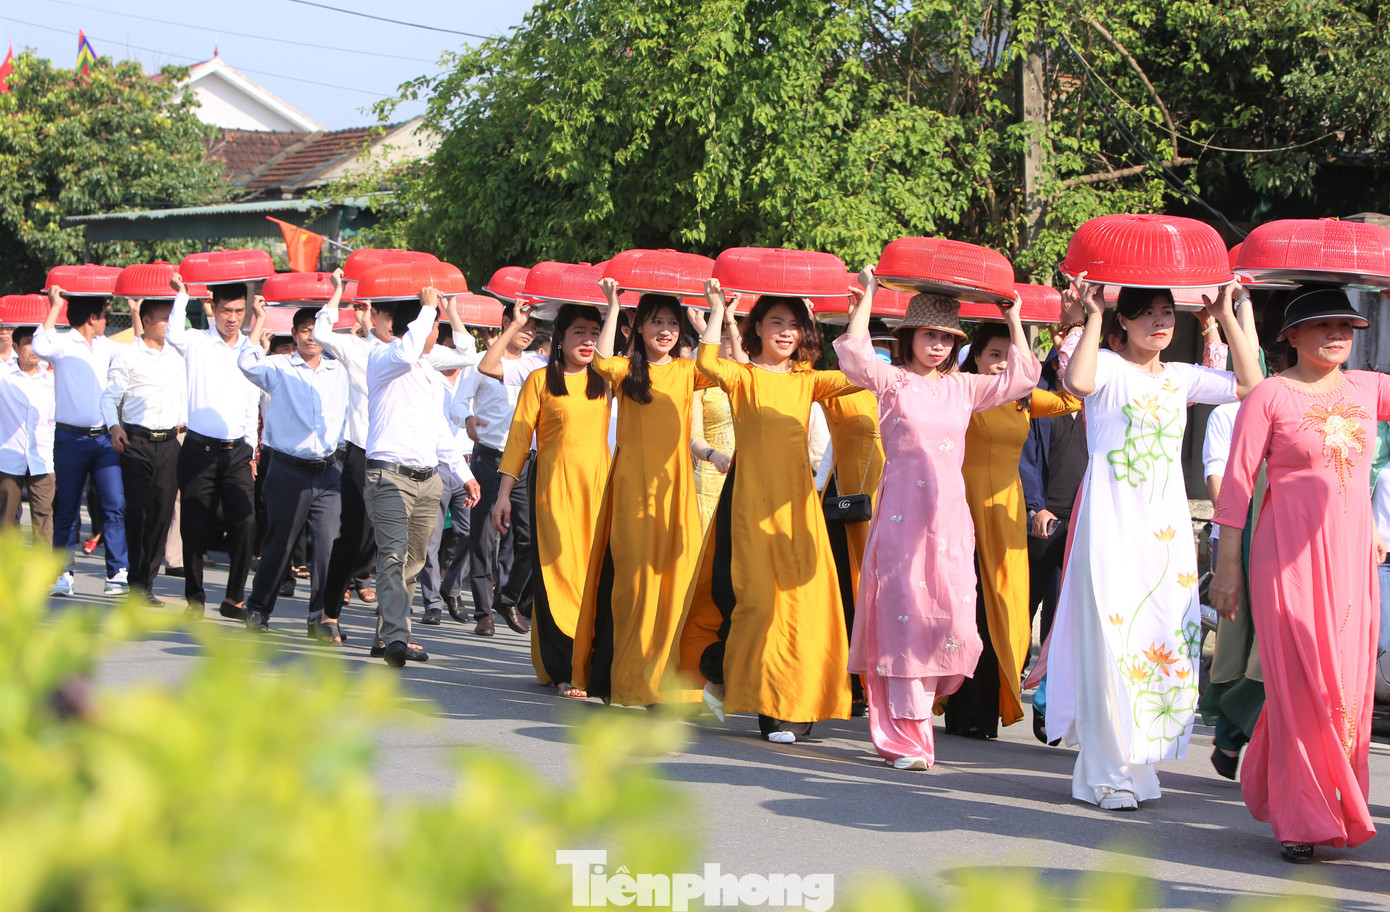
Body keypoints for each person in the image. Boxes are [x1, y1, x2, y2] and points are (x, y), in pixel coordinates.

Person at [1046, 278, 1260, 811]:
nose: (1160, 322)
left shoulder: (1182, 378)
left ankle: (1138, 766)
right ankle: (1103, 771)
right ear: (1125, 321)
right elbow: (1077, 382)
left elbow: (1254, 387)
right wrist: (1094, 312)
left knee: (1158, 638)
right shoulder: (1108, 367)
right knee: (1111, 639)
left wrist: (1229, 314)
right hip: (1112, 521)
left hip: (1164, 530)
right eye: (1147, 313)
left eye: (1167, 312)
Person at [831, 276, 1039, 768]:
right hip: (902, 519)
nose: (938, 345)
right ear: (909, 338)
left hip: (949, 521)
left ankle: (920, 714)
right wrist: (866, 300)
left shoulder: (964, 387)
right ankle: (907, 734)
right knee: (904, 621)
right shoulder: (892, 380)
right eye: (929, 335)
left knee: (953, 624)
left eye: (946, 338)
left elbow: (1023, 377)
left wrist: (1012, 316)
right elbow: (855, 356)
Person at [1211, 287, 1387, 863]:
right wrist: (1227, 571)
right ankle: (1301, 816)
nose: (1338, 334)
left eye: (1347, 325)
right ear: (1289, 335)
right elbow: (1236, 489)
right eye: (1322, 325)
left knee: (1346, 689)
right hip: (1285, 561)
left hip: (1352, 559)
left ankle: (1322, 799)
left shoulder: (1369, 387)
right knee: (1300, 683)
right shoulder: (1270, 394)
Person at [681, 280, 860, 743]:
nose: (785, 332)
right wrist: (719, 310)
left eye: (794, 325)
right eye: (776, 323)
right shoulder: (744, 376)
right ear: (757, 328)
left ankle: (784, 708)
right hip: (748, 504)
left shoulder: (810, 380)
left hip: (799, 509)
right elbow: (704, 361)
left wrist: (862, 309)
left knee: (801, 607)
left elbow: (861, 374)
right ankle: (724, 680)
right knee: (758, 605)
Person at [569, 282, 710, 707]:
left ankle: (670, 687)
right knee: (633, 590)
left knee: (676, 586)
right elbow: (599, 357)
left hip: (677, 493)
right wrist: (613, 306)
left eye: (672, 323)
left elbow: (728, 365)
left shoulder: (688, 372)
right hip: (632, 493)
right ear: (640, 328)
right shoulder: (625, 372)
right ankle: (630, 683)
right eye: (656, 323)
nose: (665, 331)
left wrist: (709, 320)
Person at [943, 322, 1079, 740]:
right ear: (976, 357)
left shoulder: (1023, 399)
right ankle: (961, 707)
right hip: (963, 509)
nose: (1001, 362)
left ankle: (988, 707)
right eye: (993, 354)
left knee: (1001, 610)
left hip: (1008, 515)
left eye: (1009, 354)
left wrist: (1037, 327)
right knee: (967, 609)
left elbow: (1073, 397)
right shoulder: (961, 390)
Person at [488, 303, 611, 697]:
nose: (587, 340)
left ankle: (591, 664)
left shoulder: (611, 380)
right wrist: (503, 495)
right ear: (560, 337)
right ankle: (564, 668)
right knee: (557, 573)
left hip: (600, 487)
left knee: (593, 576)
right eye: (579, 331)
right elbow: (519, 440)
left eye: (594, 331)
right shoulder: (540, 379)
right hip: (553, 487)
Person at [237, 294, 350, 637]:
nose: (311, 337)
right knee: (281, 543)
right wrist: (258, 319)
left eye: (316, 330)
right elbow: (245, 362)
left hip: (329, 471)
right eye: (304, 330)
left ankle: (322, 618)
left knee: (329, 546)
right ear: (295, 333)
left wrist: (340, 298)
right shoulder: (279, 366)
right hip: (287, 470)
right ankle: (258, 609)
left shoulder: (339, 370)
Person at [166, 276, 261, 619]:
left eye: (238, 311)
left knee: (247, 523)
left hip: (237, 452)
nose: (232, 318)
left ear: (246, 311)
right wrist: (182, 295)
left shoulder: (251, 350)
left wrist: (251, 447)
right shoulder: (197, 342)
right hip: (198, 450)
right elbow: (173, 333)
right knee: (194, 528)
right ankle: (195, 597)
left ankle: (234, 599)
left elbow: (252, 401)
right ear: (214, 309)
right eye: (225, 310)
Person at [364, 288, 448, 667]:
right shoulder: (384, 356)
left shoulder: (429, 374)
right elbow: (405, 351)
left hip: (427, 479)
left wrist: (461, 474)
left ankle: (389, 633)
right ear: (416, 325)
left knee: (413, 562)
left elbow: (439, 430)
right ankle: (399, 636)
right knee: (394, 556)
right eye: (432, 324)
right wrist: (427, 307)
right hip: (390, 476)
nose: (436, 332)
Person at [31, 286, 128, 596]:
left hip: (103, 441)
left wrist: (137, 313)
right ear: (92, 318)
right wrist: (55, 305)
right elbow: (38, 343)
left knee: (115, 505)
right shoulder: (62, 344)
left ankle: (117, 573)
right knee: (67, 509)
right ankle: (63, 574)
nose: (106, 321)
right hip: (70, 439)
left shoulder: (105, 346)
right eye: (103, 316)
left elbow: (135, 350)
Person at [450, 302, 539, 637]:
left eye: (533, 327)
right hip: (490, 456)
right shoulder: (480, 363)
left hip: (526, 460)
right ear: (506, 322)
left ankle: (508, 597)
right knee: (484, 537)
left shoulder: (537, 365)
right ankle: (483, 611)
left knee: (529, 538)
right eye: (522, 324)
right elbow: (458, 404)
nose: (528, 331)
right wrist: (467, 419)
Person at [101, 297, 186, 605]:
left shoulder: (180, 355)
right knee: (138, 512)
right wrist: (114, 427)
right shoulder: (128, 356)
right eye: (165, 319)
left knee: (162, 514)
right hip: (135, 442)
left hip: (169, 443)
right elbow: (109, 398)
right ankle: (135, 578)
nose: (171, 325)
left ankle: (145, 584)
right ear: (147, 320)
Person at [313, 295, 387, 622]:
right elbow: (320, 333)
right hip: (361, 451)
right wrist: (336, 293)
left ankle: (392, 630)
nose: (393, 325)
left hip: (399, 458)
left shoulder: (416, 354)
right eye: (383, 315)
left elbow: (464, 353)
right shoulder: (359, 349)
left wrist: (447, 310)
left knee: (393, 544)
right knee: (353, 536)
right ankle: (329, 614)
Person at [418, 316, 482, 627]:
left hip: (467, 465)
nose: (452, 355)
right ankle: (432, 601)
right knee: (430, 537)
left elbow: (468, 349)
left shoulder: (472, 373)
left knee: (470, 533)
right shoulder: (425, 372)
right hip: (436, 465)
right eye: (448, 348)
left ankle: (451, 587)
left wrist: (453, 310)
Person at [687, 305, 745, 529]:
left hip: (747, 478)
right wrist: (712, 455)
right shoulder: (700, 384)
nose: (732, 343)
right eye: (725, 338)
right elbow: (693, 437)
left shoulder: (749, 381)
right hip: (710, 480)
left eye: (737, 337)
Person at [0, 327, 55, 544]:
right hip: (9, 457)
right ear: (15, 347)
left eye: (36, 343)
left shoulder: (51, 380)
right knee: (5, 518)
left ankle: (43, 574)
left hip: (41, 458)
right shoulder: (4, 376)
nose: (32, 349)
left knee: (43, 515)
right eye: (26, 343)